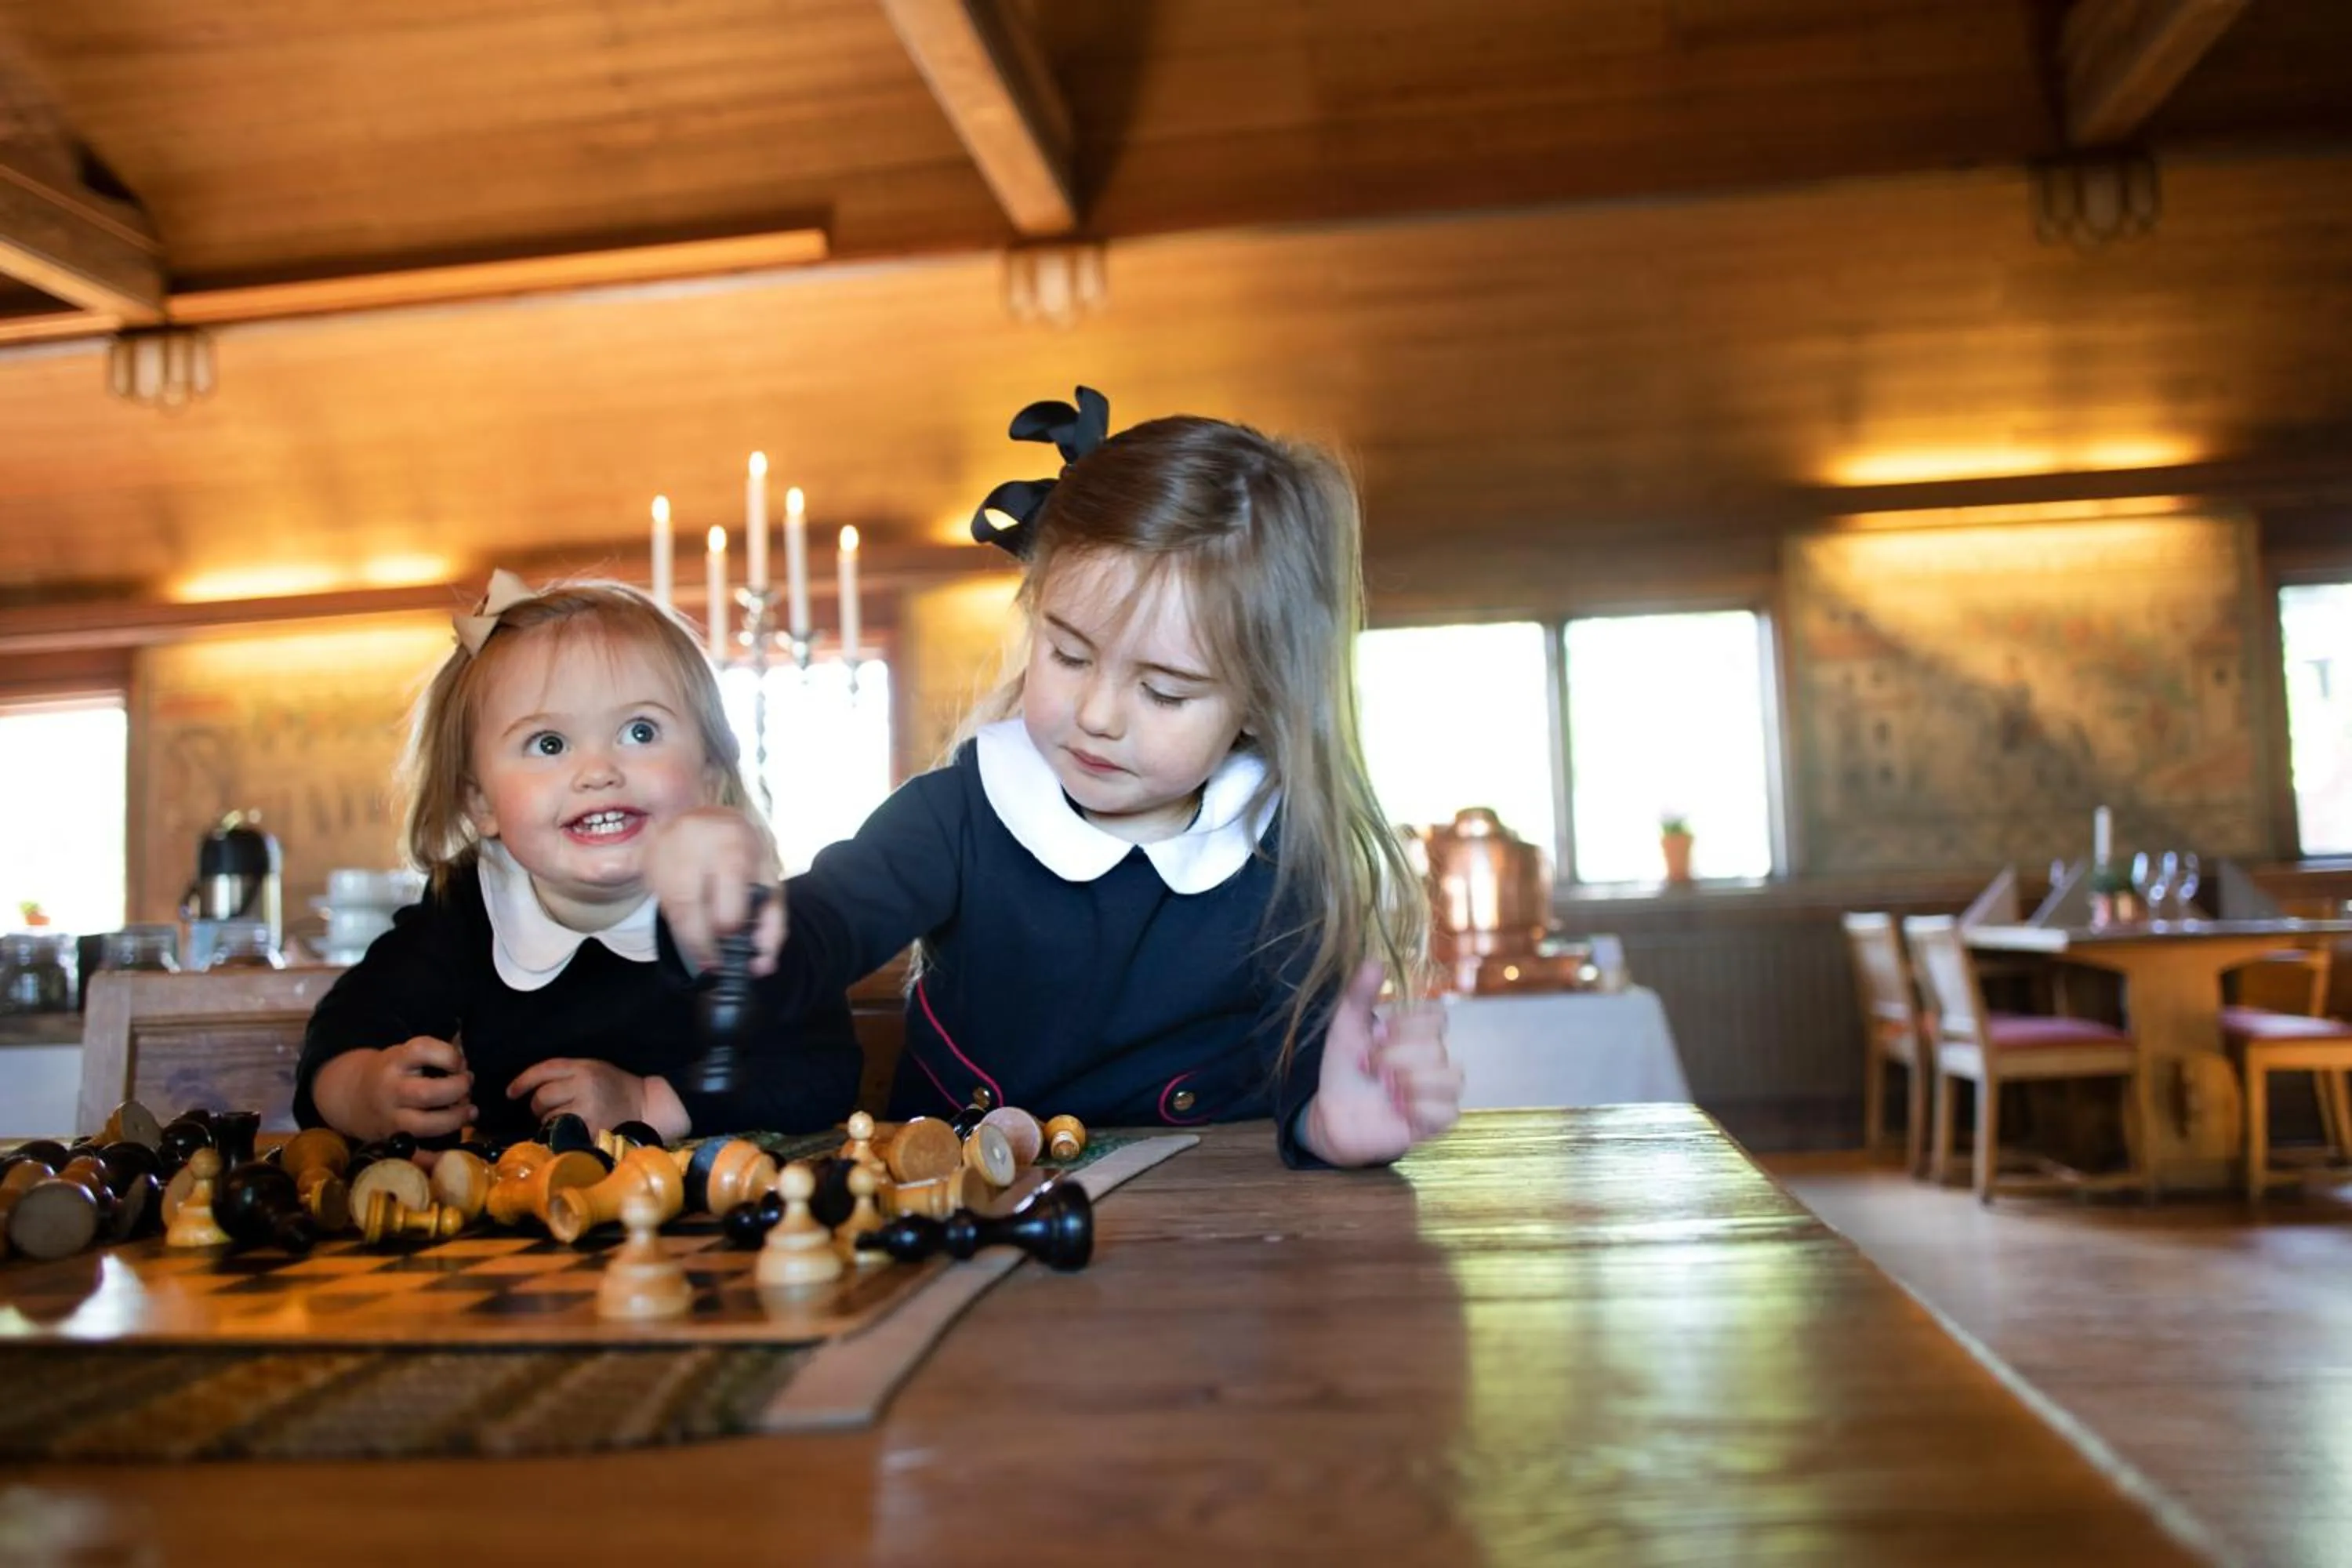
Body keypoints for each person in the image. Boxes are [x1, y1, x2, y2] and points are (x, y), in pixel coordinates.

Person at [656, 388, 1462, 1167]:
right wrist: (734, 916)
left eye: (1164, 689)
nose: (1099, 713)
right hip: (956, 1222)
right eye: (1069, 654)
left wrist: (1326, 1125)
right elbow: (818, 932)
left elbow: (1306, 1075)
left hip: (1209, 1251)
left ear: (1259, 700)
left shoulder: (1284, 857)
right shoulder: (960, 813)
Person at [296, 572, 861, 1144]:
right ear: (480, 801)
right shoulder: (470, 906)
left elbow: (822, 1070)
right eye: (549, 744)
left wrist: (648, 1101)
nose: (598, 771)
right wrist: (367, 1092)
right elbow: (343, 1031)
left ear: (709, 777)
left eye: (640, 732)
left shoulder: (734, 910)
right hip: (514, 1216)